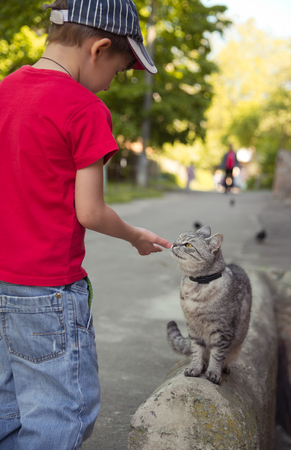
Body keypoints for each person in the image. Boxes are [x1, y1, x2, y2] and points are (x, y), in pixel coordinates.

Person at [0, 0, 171, 448]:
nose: (112, 84)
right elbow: (90, 212)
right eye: (118, 71)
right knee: (58, 416)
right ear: (98, 49)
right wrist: (135, 236)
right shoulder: (84, 107)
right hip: (47, 295)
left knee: (5, 410)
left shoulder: (5, 90)